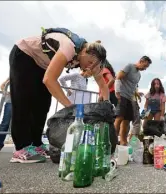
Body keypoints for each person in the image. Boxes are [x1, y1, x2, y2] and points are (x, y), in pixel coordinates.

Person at [9, 27, 109, 163]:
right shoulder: (69, 47)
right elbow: (49, 80)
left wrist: (106, 106)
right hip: (25, 54)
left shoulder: (91, 61)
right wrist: (70, 107)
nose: (89, 67)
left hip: (42, 64)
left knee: (43, 104)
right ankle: (21, 147)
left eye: (94, 65)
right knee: (24, 100)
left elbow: (103, 85)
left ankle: (37, 144)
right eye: (90, 63)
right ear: (84, 51)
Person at [114, 56, 152, 145]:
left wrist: (137, 93)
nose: (145, 69)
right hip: (122, 95)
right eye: (145, 66)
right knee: (119, 118)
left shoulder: (139, 75)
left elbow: (134, 86)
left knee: (126, 121)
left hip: (130, 98)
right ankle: (113, 140)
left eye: (146, 68)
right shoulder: (129, 66)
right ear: (141, 61)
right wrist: (117, 91)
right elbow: (118, 77)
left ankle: (123, 141)